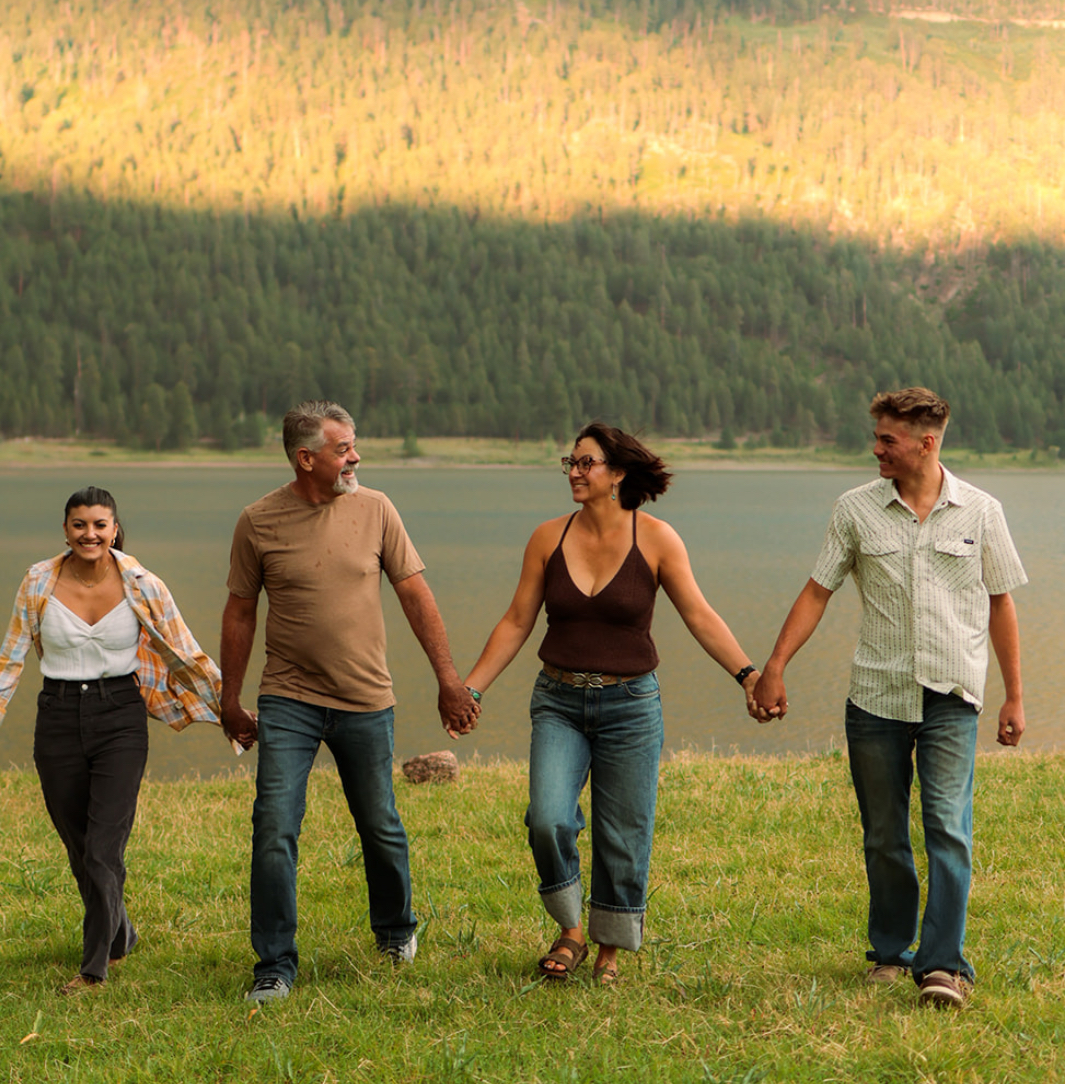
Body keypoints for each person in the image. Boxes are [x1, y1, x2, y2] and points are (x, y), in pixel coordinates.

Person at [753, 387, 1027, 1009]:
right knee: (882, 833)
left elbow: (1001, 601)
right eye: (877, 436)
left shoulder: (982, 512)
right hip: (875, 697)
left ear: (926, 444)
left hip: (952, 695)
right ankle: (890, 952)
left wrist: (1013, 696)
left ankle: (943, 966)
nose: (875, 449)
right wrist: (774, 665)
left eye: (887, 440)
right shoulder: (854, 509)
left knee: (948, 831)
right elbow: (818, 590)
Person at [463, 422, 762, 986]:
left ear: (618, 473)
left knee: (623, 832)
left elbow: (698, 614)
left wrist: (747, 674)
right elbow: (517, 620)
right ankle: (570, 927)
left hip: (630, 704)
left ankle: (608, 947)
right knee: (548, 819)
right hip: (557, 698)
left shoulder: (656, 538)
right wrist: (471, 687)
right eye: (570, 462)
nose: (574, 472)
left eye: (586, 463)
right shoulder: (546, 538)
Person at [221, 399, 479, 1003]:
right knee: (273, 826)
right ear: (306, 459)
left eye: (354, 444)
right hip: (288, 697)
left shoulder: (377, 509)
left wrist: (448, 679)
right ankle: (275, 964)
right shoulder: (258, 521)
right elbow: (239, 611)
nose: (355, 456)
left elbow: (415, 593)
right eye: (343, 449)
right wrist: (229, 699)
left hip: (366, 699)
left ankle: (395, 930)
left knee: (380, 823)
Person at [0, 485, 223, 995]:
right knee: (80, 847)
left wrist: (229, 710)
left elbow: (185, 651)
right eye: (80, 525)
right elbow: (10, 657)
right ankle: (120, 932)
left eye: (100, 525)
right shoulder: (38, 581)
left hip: (120, 716)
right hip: (56, 718)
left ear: (115, 528)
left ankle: (94, 967)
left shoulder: (143, 583)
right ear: (65, 530)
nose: (90, 534)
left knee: (104, 847)